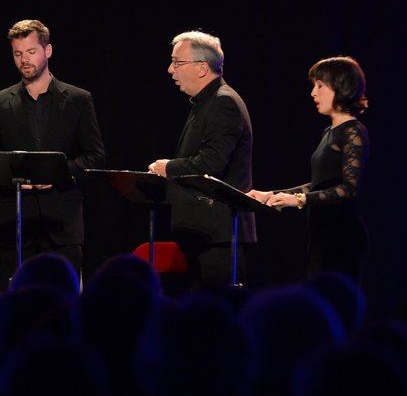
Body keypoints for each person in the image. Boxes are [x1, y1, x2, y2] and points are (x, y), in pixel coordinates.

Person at [0, 19, 106, 291]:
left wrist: (57, 174)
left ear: (48, 51)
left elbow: (95, 156)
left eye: (31, 52)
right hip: (13, 224)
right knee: (13, 308)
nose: (24, 60)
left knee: (64, 307)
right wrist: (16, 177)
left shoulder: (78, 99)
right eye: (17, 53)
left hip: (62, 225)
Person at [247, 56, 370, 282]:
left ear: (340, 85)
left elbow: (348, 189)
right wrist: (272, 195)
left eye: (320, 86)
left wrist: (299, 200)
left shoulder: (353, 131)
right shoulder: (329, 132)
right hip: (322, 234)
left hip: (341, 237)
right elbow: (319, 184)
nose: (313, 93)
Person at [147, 30, 255, 288]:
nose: (170, 69)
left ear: (202, 68)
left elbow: (210, 165)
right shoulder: (205, 103)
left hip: (219, 235)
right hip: (203, 233)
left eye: (177, 62)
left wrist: (167, 168)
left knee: (214, 318)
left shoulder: (223, 103)